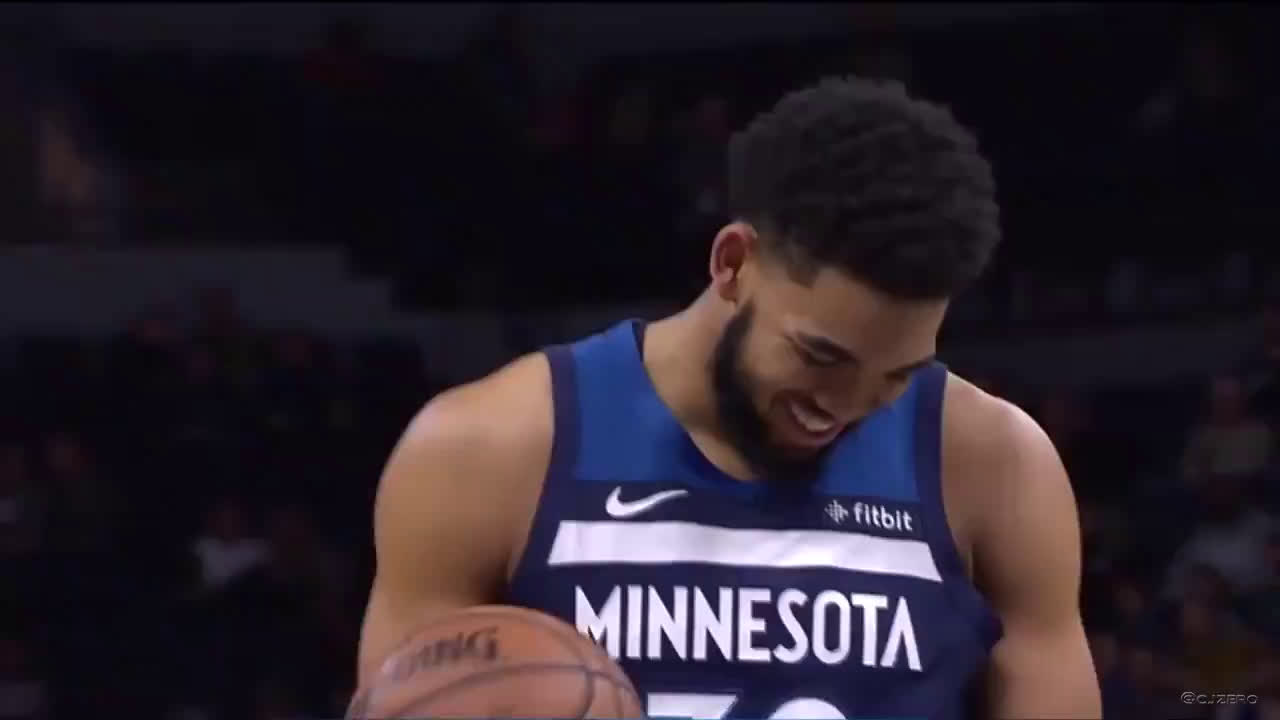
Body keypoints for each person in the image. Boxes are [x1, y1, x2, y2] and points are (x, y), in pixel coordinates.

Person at [358, 76, 1101, 719]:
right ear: (733, 262)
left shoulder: (994, 463)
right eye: (821, 357)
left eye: (896, 374)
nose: (844, 405)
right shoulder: (487, 449)